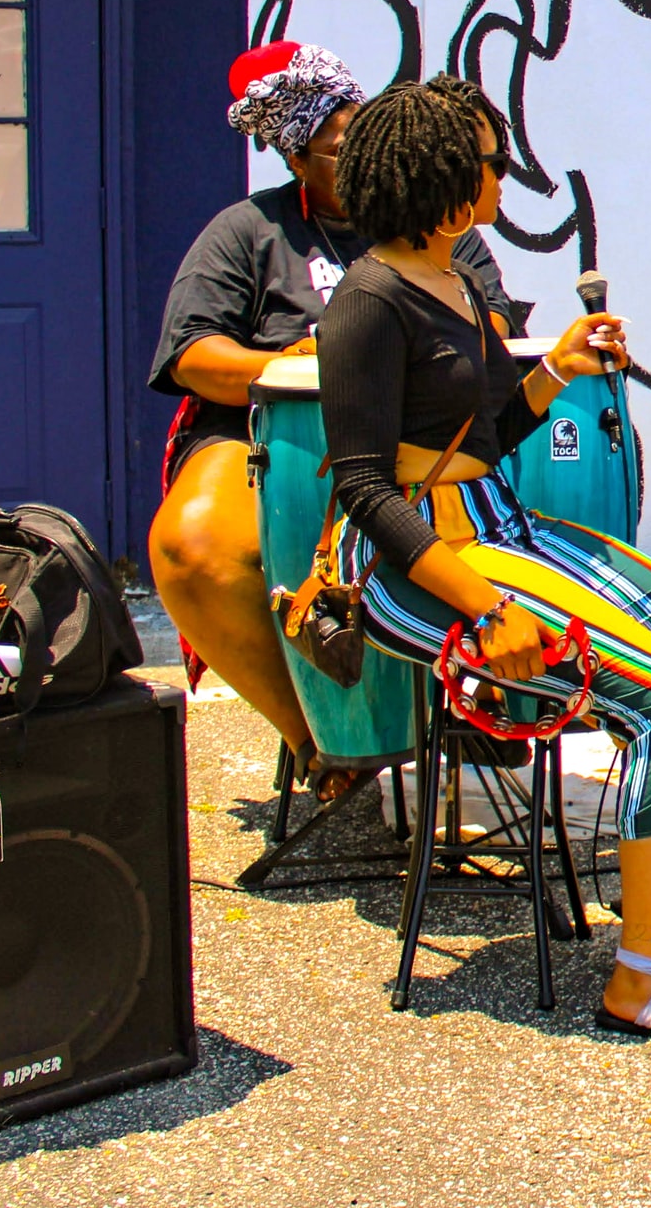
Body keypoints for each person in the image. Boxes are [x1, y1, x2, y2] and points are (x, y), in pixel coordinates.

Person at [323, 80, 651, 1045]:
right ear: (440, 179)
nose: (500, 174)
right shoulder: (365, 301)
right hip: (417, 562)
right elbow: (365, 487)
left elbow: (487, 429)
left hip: (494, 519)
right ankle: (644, 975)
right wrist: (485, 607)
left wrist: (555, 367)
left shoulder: (458, 276)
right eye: (485, 161)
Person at [147, 45, 517, 794]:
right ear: (294, 154)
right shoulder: (249, 230)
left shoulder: (442, 217)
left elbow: (498, 325)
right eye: (339, 147)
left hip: (418, 442)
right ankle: (320, 733)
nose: (357, 159)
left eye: (365, 139)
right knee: (192, 548)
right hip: (269, 435)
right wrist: (305, 365)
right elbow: (192, 354)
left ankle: (480, 705)